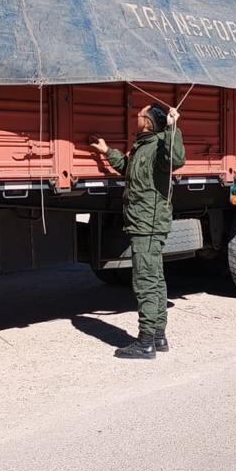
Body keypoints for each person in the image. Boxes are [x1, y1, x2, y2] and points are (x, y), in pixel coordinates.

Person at [89, 103, 184, 358]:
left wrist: (174, 128)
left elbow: (177, 159)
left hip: (149, 224)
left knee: (145, 281)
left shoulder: (161, 144)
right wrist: (107, 151)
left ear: (150, 122)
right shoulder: (143, 146)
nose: (136, 117)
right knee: (155, 278)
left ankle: (145, 342)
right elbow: (130, 172)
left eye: (140, 115)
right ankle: (158, 336)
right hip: (143, 222)